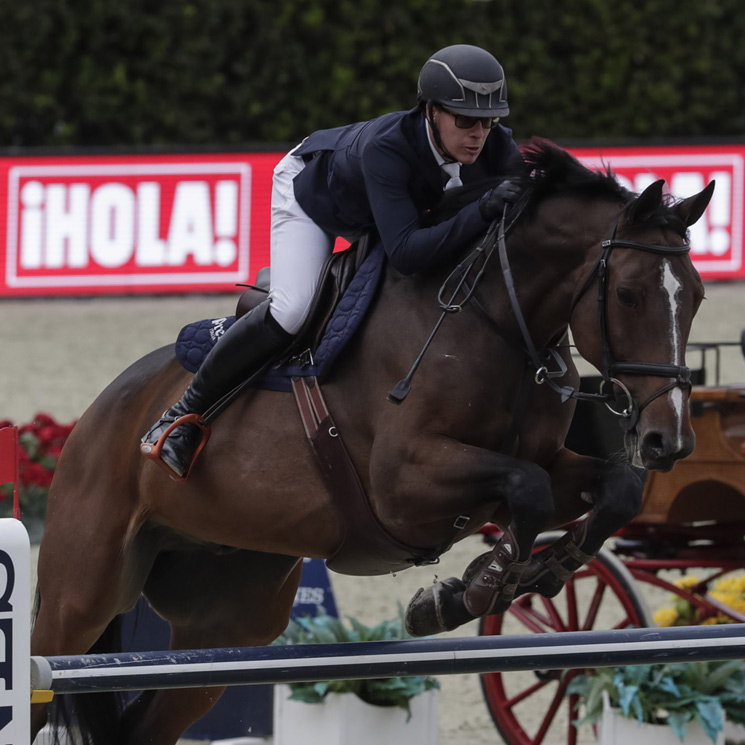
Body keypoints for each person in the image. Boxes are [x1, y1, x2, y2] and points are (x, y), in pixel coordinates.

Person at [141, 43, 521, 478]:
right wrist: (484, 208)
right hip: (312, 195)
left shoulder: (495, 146)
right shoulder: (388, 148)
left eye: (489, 121)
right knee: (292, 311)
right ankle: (182, 417)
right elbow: (408, 254)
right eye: (466, 119)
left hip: (388, 208)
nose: (479, 133)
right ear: (432, 111)